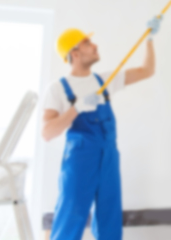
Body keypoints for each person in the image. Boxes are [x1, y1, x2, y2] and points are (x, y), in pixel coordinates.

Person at [42, 17, 162, 240]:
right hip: (79, 158)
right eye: (88, 43)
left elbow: (146, 71)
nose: (95, 46)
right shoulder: (58, 89)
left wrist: (150, 39)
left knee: (109, 217)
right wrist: (76, 108)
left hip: (108, 155)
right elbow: (47, 132)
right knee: (70, 215)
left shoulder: (105, 80)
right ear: (74, 53)